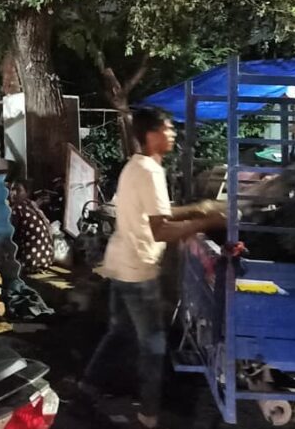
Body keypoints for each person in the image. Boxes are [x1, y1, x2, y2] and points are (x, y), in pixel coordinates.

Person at [78, 106, 225, 429]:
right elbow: (161, 230)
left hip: (121, 262)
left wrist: (198, 208)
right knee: (154, 345)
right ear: (151, 135)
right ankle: (148, 414)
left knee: (120, 331)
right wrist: (206, 221)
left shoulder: (137, 166)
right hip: (138, 268)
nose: (172, 134)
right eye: (167, 129)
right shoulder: (150, 171)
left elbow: (159, 212)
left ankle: (87, 385)